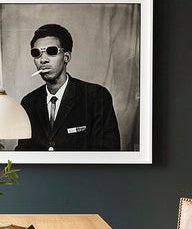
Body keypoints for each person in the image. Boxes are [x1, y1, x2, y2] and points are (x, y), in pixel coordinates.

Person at [15, 23, 121, 152]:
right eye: (36, 53)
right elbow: (23, 153)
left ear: (66, 57)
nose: (43, 60)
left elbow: (108, 153)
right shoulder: (29, 102)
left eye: (51, 51)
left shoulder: (96, 97)